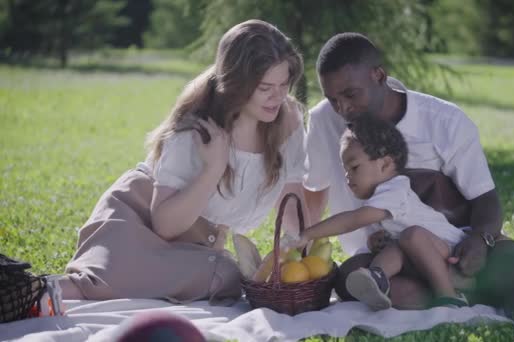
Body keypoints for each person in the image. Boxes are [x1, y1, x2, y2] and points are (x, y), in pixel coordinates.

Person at [302, 32, 514, 340]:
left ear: (379, 76)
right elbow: (313, 192)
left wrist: (480, 238)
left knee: (508, 262)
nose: (343, 109)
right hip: (389, 263)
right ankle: (488, 295)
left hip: (453, 250)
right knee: (349, 279)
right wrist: (300, 249)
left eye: (351, 95)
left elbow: (486, 199)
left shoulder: (444, 120)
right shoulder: (323, 119)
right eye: (333, 99)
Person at [24, 19, 308, 308]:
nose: (278, 96)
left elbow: (292, 197)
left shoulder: (288, 122)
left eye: (284, 84)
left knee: (225, 275)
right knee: (94, 285)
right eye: (265, 88)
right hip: (137, 220)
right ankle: (25, 292)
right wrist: (213, 168)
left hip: (194, 246)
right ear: (237, 84)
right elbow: (165, 226)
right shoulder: (199, 129)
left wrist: (304, 251)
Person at [291, 115, 468, 310]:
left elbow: (353, 220)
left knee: (411, 235)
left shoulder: (394, 190)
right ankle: (376, 282)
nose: (348, 177)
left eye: (355, 167)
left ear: (385, 164)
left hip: (451, 254)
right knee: (400, 243)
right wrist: (376, 241)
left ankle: (449, 296)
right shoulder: (379, 199)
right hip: (422, 258)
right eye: (345, 170)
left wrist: (308, 233)